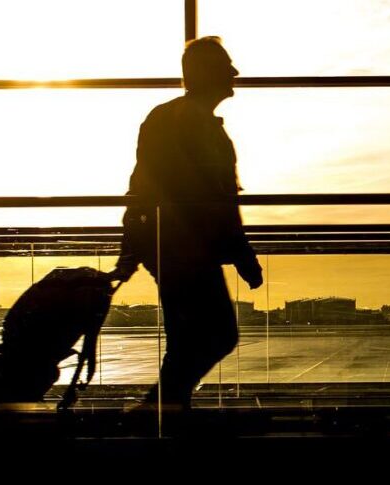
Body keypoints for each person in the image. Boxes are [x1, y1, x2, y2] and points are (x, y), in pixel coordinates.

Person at [110, 36, 264, 413]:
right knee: (217, 334)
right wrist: (243, 255)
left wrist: (132, 249)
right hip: (186, 249)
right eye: (226, 65)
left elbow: (143, 186)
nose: (235, 72)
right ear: (206, 73)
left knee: (190, 338)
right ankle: (161, 409)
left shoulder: (172, 118)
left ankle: (165, 410)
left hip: (172, 246)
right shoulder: (194, 125)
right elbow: (216, 199)